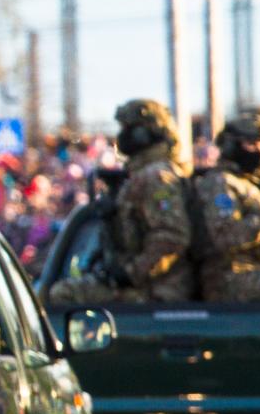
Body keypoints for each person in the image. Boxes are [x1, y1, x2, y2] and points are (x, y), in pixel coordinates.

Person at [49, 99, 194, 305]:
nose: (122, 135)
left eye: (128, 128)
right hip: (144, 285)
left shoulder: (157, 177)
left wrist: (129, 273)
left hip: (159, 289)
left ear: (143, 134)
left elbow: (172, 237)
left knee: (62, 294)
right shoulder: (141, 174)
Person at [190, 109, 260, 302]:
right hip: (229, 276)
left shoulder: (250, 183)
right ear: (231, 146)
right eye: (250, 144)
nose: (258, 151)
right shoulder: (220, 182)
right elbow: (225, 237)